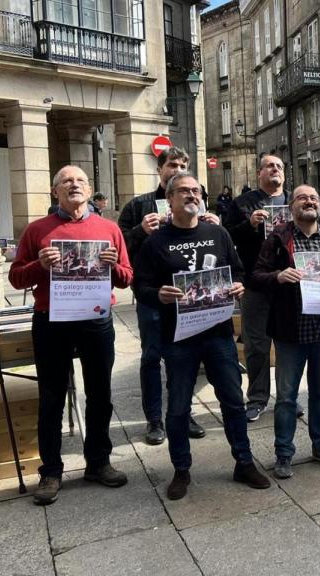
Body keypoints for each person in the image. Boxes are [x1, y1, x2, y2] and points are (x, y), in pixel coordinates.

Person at [132, 173, 269, 499]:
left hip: (218, 332)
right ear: (170, 197)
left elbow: (236, 269)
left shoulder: (217, 233)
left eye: (196, 191)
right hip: (178, 337)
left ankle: (244, 461)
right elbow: (140, 286)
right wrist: (158, 294)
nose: (191, 195)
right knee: (178, 406)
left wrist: (238, 285)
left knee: (234, 401)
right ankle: (181, 470)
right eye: (183, 191)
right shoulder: (156, 242)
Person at [8, 165, 133, 505]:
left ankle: (98, 462)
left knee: (100, 393)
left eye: (79, 181)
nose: (73, 185)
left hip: (95, 320)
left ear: (89, 189)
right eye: (66, 181)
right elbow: (16, 278)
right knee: (51, 396)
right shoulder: (37, 230)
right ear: (55, 192)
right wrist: (39, 266)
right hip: (52, 320)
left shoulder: (109, 228)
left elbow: (126, 277)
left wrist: (114, 267)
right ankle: (50, 471)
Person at [252, 185, 320, 479]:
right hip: (290, 333)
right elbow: (256, 276)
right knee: (286, 397)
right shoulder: (279, 238)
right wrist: (278, 275)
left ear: (319, 206)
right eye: (302, 198)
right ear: (291, 207)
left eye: (313, 197)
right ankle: (284, 453)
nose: (309, 201)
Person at [118, 147, 216, 444]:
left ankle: (182, 413)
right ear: (160, 169)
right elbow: (119, 247)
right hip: (153, 295)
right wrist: (139, 231)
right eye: (172, 164)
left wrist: (213, 225)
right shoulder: (139, 205)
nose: (178, 168)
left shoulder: (197, 200)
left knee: (185, 357)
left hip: (188, 296)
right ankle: (154, 420)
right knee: (152, 356)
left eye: (184, 164)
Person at [222, 155, 288, 423]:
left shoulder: (294, 200)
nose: (275, 170)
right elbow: (225, 236)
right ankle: (258, 398)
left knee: (287, 345)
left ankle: (287, 398)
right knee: (257, 345)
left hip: (288, 284)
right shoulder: (243, 203)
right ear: (259, 172)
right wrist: (249, 225)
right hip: (255, 283)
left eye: (280, 167)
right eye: (270, 166)